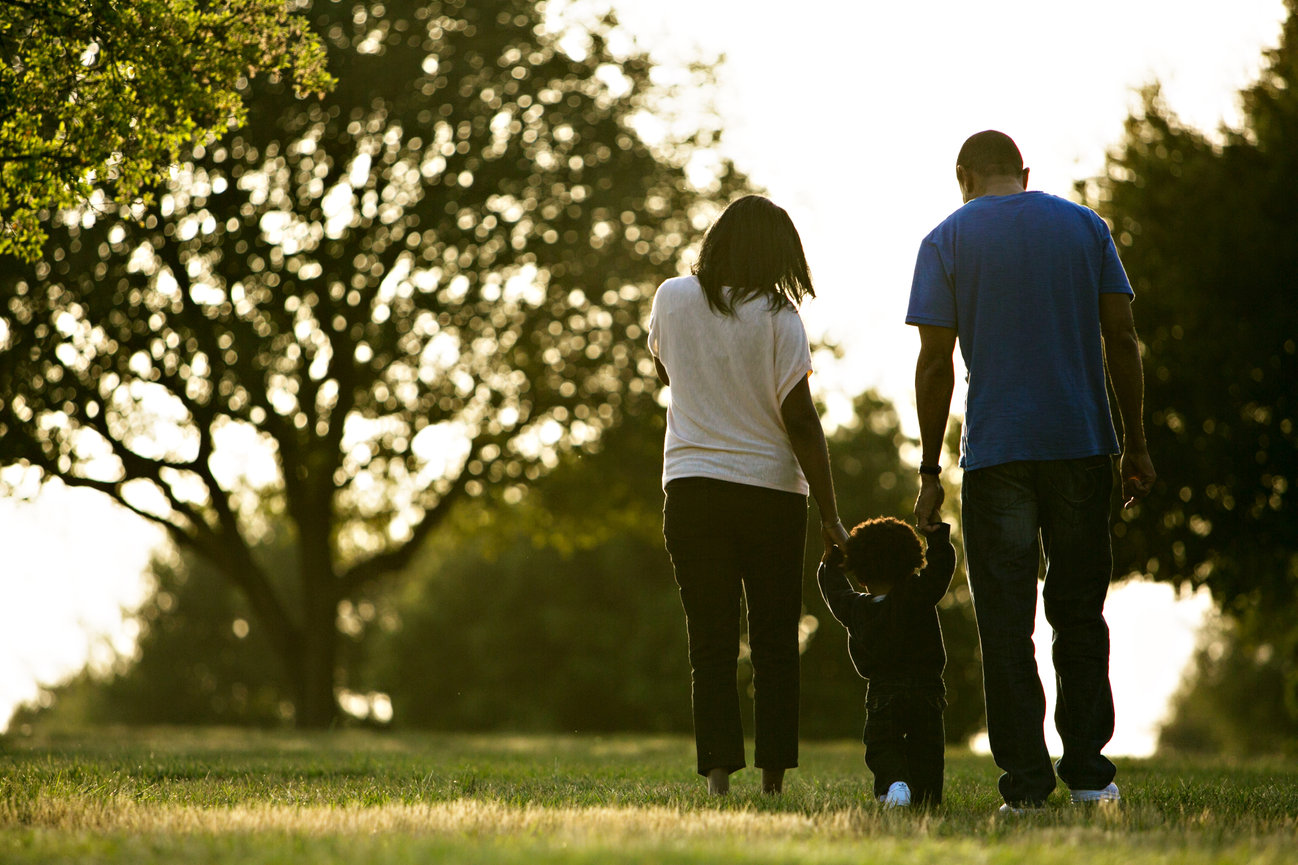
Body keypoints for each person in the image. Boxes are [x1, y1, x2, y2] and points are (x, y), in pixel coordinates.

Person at [906, 130, 1157, 814]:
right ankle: (1089, 778)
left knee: (1006, 624)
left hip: (998, 452)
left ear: (963, 176)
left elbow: (934, 362)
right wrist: (1135, 443)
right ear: (1024, 172)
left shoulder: (946, 239)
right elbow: (1123, 337)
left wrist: (929, 469)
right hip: (1082, 444)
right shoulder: (1086, 227)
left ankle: (1024, 788)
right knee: (1079, 613)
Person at [649, 194, 850, 796]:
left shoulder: (671, 298)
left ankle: (716, 779)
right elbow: (801, 420)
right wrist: (831, 515)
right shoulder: (780, 319)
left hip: (692, 488)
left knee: (709, 639)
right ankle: (772, 784)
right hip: (770, 494)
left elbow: (667, 372)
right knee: (773, 641)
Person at [817, 516, 956, 808]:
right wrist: (937, 537)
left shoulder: (855, 608)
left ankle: (894, 784)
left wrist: (832, 559)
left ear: (860, 574)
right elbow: (942, 569)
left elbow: (833, 589)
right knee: (928, 750)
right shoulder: (919, 594)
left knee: (882, 746)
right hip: (927, 690)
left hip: (882, 693)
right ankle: (926, 796)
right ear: (911, 563)